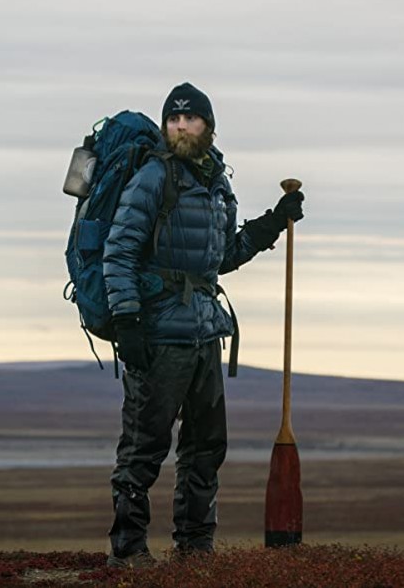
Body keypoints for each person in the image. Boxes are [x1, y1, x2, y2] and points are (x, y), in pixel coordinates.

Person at [102, 82, 305, 566]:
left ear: (208, 127)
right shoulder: (153, 178)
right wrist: (127, 320)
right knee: (143, 449)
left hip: (204, 334)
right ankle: (127, 552)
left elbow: (221, 257)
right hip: (158, 335)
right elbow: (119, 250)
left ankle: (195, 549)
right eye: (173, 119)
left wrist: (272, 223)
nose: (181, 127)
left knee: (205, 447)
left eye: (190, 119)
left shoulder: (216, 184)